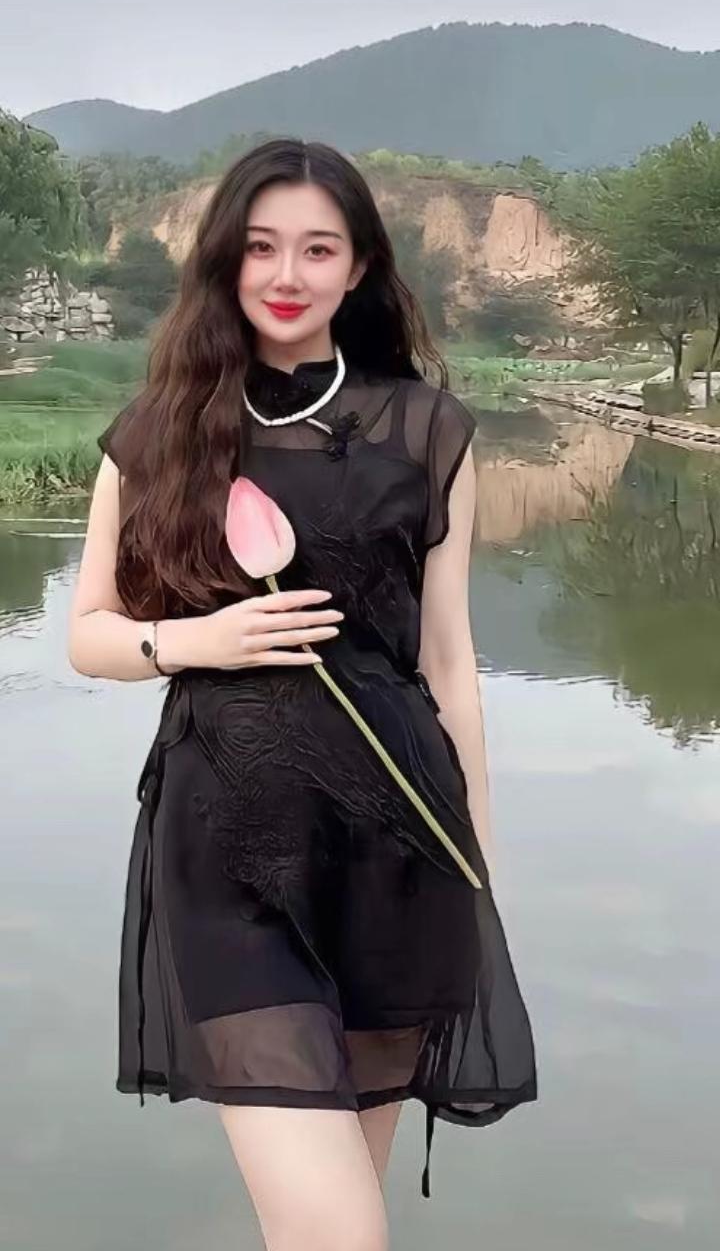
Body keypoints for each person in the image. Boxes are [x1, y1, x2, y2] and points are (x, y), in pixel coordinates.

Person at [68, 138, 536, 1251]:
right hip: (229, 853)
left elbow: (450, 661)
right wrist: (198, 640)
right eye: (262, 246)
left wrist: (478, 851)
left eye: (318, 249)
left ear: (360, 265)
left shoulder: (426, 430)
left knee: (337, 1226)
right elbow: (89, 634)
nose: (288, 273)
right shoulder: (157, 434)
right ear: (225, 259)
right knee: (338, 1233)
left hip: (398, 848)